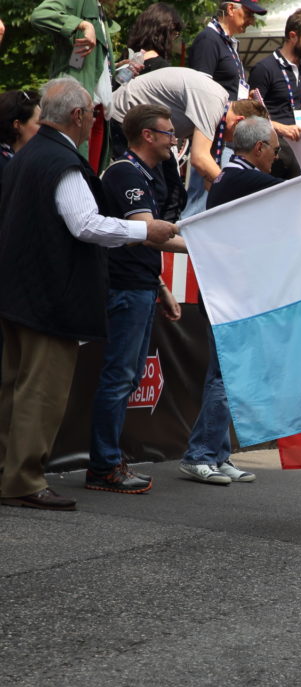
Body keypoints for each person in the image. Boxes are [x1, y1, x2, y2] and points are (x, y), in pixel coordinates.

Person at [0, 78, 176, 511]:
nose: (94, 121)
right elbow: (86, 224)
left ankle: (9, 473)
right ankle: (23, 480)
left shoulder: (24, 157)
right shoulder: (63, 162)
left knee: (12, 389)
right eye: (92, 114)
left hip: (17, 294)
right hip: (50, 299)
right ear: (78, 116)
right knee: (41, 392)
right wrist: (143, 230)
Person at [87, 103, 188, 494]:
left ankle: (108, 459)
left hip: (140, 286)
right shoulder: (125, 172)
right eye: (168, 133)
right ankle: (103, 465)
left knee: (125, 379)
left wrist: (160, 286)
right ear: (148, 135)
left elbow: (146, 240)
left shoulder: (143, 173)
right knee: (118, 378)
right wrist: (206, 246)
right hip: (125, 288)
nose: (173, 141)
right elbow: (147, 232)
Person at [179, 116, 283, 486]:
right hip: (228, 291)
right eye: (275, 148)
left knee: (224, 374)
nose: (276, 155)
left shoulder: (232, 176)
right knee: (225, 374)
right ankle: (201, 454)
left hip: (229, 288)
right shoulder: (241, 177)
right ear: (258, 148)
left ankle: (216, 453)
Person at [110, 67, 268, 215]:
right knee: (158, 192)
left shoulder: (221, 111)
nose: (238, 142)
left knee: (176, 195)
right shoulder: (213, 101)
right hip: (125, 119)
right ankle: (153, 237)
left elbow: (209, 179)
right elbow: (200, 159)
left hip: (155, 133)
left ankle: (167, 239)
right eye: (243, 136)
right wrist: (239, 195)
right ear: (239, 121)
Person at [31, 0, 119, 171]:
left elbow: (96, 67)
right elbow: (39, 15)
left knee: (91, 176)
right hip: (76, 111)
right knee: (75, 170)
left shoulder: (99, 9)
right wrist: (82, 24)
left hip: (97, 111)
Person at [248, 8, 301, 179]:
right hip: (273, 153)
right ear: (293, 36)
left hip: (300, 154)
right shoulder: (265, 69)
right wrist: (282, 129)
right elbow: (249, 114)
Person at [188, 0, 263, 99]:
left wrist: (243, 99)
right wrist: (228, 110)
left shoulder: (228, 42)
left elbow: (227, 87)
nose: (252, 22)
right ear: (230, 9)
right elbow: (200, 93)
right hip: (216, 114)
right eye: (248, 14)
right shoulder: (208, 39)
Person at [0, 90, 42, 199]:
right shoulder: (6, 166)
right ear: (17, 125)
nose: (44, 129)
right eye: (39, 123)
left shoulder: (21, 158)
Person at [124, 2, 184, 76]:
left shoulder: (125, 59)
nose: (173, 39)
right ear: (164, 34)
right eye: (174, 34)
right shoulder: (161, 68)